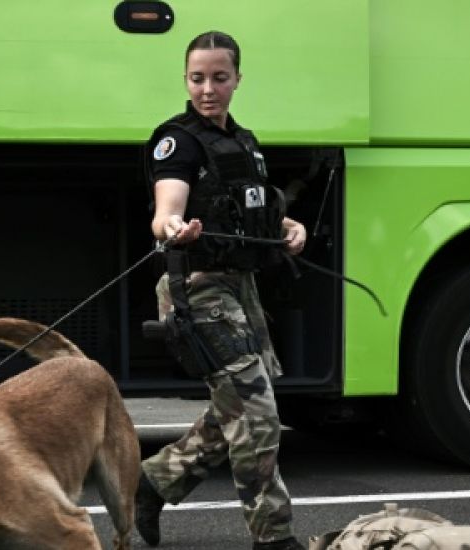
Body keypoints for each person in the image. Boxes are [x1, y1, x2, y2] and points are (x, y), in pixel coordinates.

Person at [134, 30, 306, 550]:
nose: (207, 88)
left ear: (237, 79)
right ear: (186, 79)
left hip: (243, 290)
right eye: (197, 78)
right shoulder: (177, 140)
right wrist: (173, 228)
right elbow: (165, 212)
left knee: (239, 405)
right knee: (256, 415)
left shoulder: (245, 143)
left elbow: (254, 210)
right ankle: (273, 539)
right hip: (200, 291)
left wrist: (287, 228)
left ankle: (156, 479)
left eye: (219, 77)